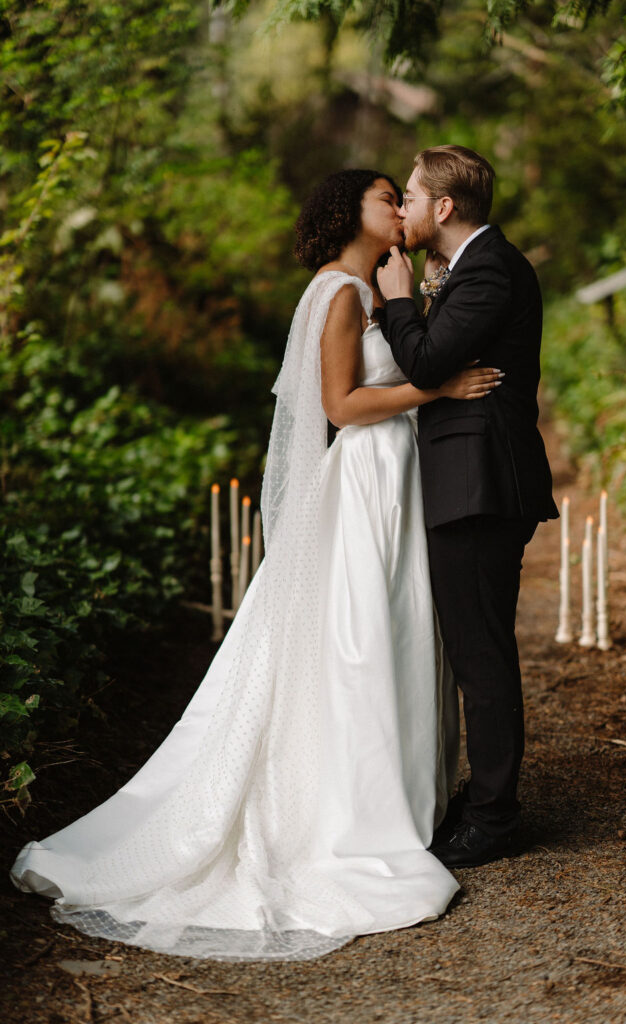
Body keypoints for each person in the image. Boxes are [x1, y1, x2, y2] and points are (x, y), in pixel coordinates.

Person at [11, 169, 503, 962]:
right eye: (387, 196)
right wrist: (435, 389)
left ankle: (404, 798)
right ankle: (350, 812)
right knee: (361, 639)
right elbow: (340, 405)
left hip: (392, 474)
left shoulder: (365, 285)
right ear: (353, 213)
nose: (398, 207)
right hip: (367, 475)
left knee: (396, 630)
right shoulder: (337, 294)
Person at [377, 145, 559, 870]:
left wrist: (397, 298)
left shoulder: (491, 268)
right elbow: (439, 355)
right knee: (468, 649)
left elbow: (424, 364)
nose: (403, 213)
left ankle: (493, 817)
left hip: (481, 482)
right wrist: (423, 295)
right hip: (463, 480)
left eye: (412, 199)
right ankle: (479, 800)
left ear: (444, 207)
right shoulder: (469, 269)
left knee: (480, 655)